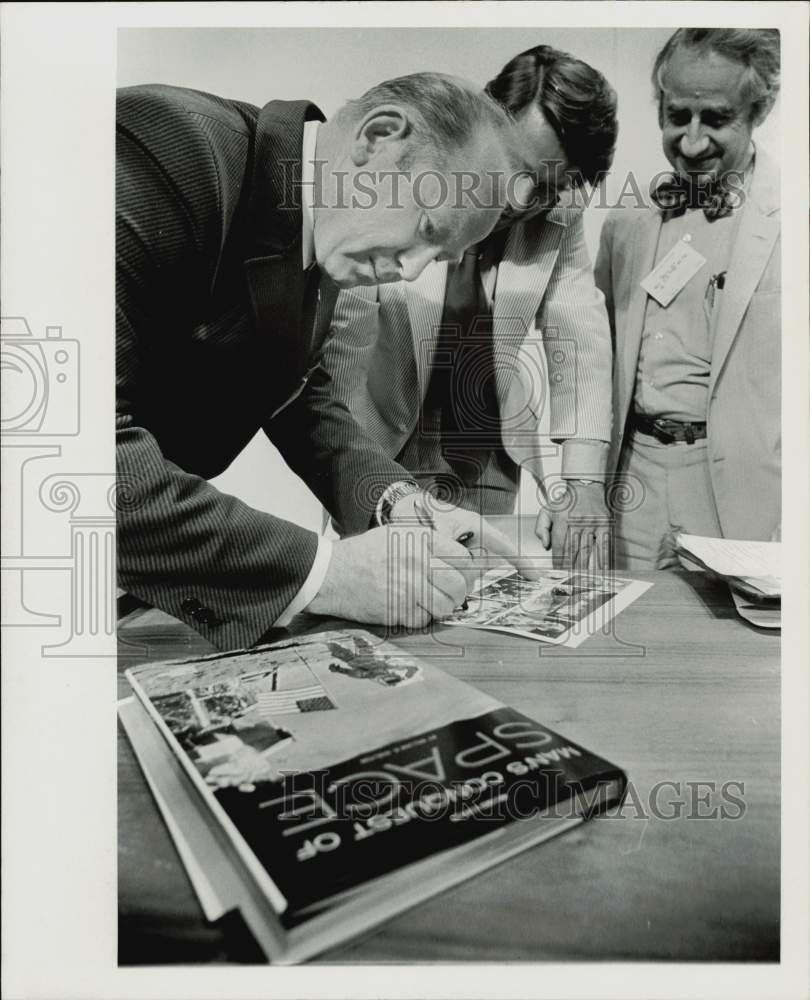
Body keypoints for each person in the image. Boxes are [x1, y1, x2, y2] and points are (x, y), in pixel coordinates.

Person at [116, 73, 536, 651]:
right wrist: (326, 573)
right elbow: (78, 456)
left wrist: (401, 504)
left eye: (439, 257)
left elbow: (297, 395)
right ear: (379, 137)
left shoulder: (322, 223)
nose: (413, 271)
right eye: (426, 230)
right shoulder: (162, 149)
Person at [320, 46, 617, 570]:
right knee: (386, 591)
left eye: (552, 187)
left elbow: (580, 332)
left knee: (482, 596)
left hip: (485, 444)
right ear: (489, 124)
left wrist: (582, 483)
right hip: (380, 429)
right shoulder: (422, 170)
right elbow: (344, 336)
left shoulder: (561, 209)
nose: (526, 202)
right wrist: (344, 468)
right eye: (521, 172)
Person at [595, 29, 781, 567]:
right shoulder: (626, 224)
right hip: (629, 482)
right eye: (678, 117)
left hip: (742, 496)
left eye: (717, 120)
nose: (693, 142)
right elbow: (590, 365)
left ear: (759, 111)